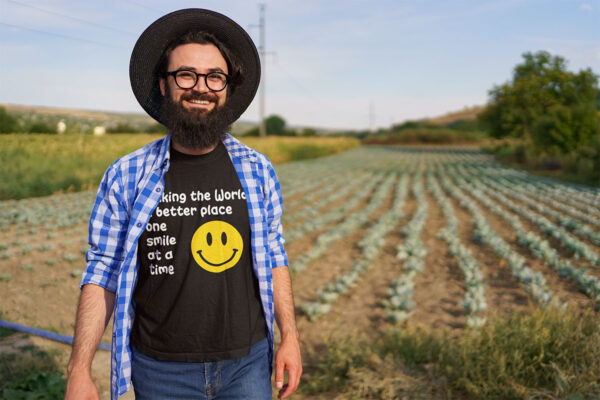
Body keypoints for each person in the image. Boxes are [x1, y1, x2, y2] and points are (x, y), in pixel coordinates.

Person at [65, 8, 301, 400]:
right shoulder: (127, 175)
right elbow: (103, 270)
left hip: (248, 364)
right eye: (186, 74)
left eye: (214, 76)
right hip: (160, 371)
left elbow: (274, 255)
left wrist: (289, 337)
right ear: (163, 84)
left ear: (226, 88)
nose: (201, 87)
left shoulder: (258, 170)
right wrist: (79, 369)